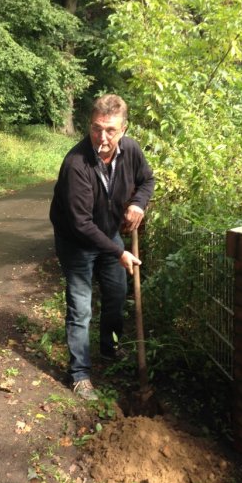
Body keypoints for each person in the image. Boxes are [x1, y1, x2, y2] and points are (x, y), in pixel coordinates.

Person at [50, 94, 154, 400]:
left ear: (124, 128)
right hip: (76, 242)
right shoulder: (76, 164)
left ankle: (110, 349)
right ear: (89, 125)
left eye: (110, 130)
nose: (103, 137)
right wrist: (119, 251)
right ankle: (80, 374)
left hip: (109, 234)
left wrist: (138, 204)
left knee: (116, 296)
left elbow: (147, 180)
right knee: (81, 308)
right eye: (97, 129)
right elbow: (81, 224)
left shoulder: (131, 150)